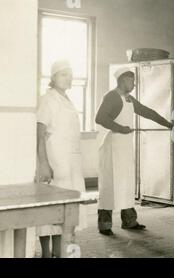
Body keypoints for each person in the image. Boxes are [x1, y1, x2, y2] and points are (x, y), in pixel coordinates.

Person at [96, 67, 173, 236]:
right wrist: (119, 128)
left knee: (126, 183)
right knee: (109, 185)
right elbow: (100, 117)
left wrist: (169, 124)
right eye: (132, 80)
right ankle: (105, 224)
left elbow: (146, 112)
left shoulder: (129, 99)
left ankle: (129, 221)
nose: (134, 83)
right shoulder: (112, 97)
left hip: (124, 145)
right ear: (123, 80)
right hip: (112, 145)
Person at [36, 60, 88, 257]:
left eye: (70, 74)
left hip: (70, 163)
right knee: (49, 211)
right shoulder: (48, 99)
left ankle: (60, 253)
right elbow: (39, 133)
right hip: (55, 161)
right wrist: (43, 164)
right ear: (53, 77)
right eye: (64, 74)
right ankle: (46, 253)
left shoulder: (65, 99)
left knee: (64, 213)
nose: (69, 78)